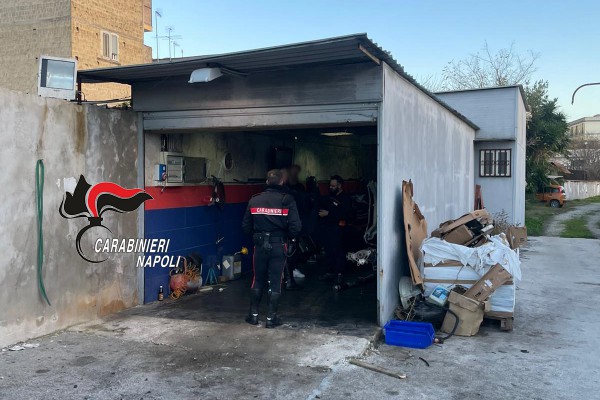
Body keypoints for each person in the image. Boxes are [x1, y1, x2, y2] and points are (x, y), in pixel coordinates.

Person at [242, 169, 302, 328]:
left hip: (260, 246)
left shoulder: (254, 200)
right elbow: (296, 227)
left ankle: (253, 316)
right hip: (278, 245)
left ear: (267, 182)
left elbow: (245, 227)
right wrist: (286, 236)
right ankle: (271, 318)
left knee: (257, 279)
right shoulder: (287, 200)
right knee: (276, 281)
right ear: (282, 182)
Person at [318, 175, 353, 285]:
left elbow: (346, 214)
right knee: (329, 250)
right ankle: (330, 271)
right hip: (328, 228)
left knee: (338, 251)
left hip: (340, 229)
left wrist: (329, 214)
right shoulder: (329, 197)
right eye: (330, 185)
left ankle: (339, 274)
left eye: (333, 185)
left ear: (339, 185)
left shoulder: (345, 198)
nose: (331, 187)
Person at [283, 165, 307, 289]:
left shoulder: (297, 189)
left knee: (290, 252)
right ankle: (288, 278)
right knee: (288, 252)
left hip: (281, 229)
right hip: (285, 228)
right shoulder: (288, 193)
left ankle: (288, 275)